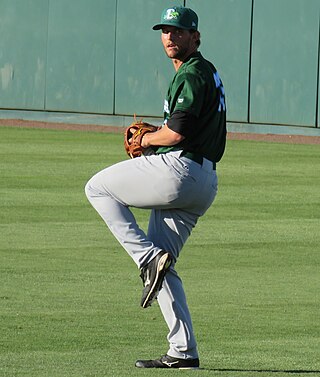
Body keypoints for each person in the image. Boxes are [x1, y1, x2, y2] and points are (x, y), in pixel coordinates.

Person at [85, 5, 226, 369]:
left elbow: (176, 134)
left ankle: (147, 258)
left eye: (178, 31)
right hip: (204, 181)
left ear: (195, 37)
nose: (170, 37)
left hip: (180, 172)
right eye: (165, 31)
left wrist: (148, 140)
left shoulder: (193, 73)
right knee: (164, 270)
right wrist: (156, 139)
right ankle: (183, 351)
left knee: (97, 188)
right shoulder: (204, 72)